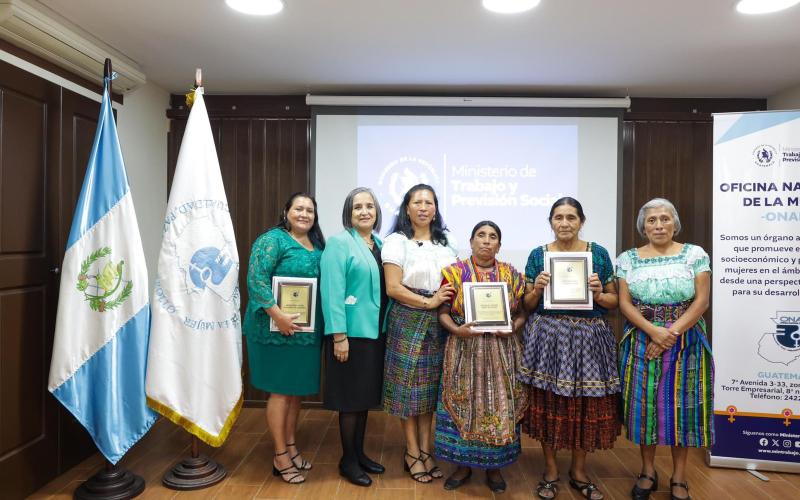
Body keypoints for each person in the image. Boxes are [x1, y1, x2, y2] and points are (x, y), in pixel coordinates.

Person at [519, 197, 620, 500]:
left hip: (590, 338)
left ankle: (579, 471)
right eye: (558, 217)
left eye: (571, 217)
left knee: (586, 406)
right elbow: (526, 304)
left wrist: (600, 294)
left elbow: (615, 303)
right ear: (551, 222)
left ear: (581, 221)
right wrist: (536, 289)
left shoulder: (598, 254)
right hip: (548, 337)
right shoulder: (539, 255)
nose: (564, 223)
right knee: (548, 403)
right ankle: (550, 469)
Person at [617, 198, 713, 500]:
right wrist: (654, 332)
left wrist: (669, 334)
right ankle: (647, 471)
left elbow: (702, 301)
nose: (658, 225)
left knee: (682, 408)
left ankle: (680, 477)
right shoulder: (627, 259)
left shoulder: (694, 254)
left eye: (664, 219)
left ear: (675, 223)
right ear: (643, 227)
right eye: (651, 221)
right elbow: (624, 303)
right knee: (644, 408)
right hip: (642, 339)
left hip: (687, 341)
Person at [433, 221, 529, 494]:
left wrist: (513, 327)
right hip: (464, 347)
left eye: (493, 237)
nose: (486, 241)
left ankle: (494, 466)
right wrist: (457, 330)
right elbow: (441, 312)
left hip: (501, 351)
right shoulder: (454, 273)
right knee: (464, 403)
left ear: (499, 244)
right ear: (471, 241)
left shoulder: (511, 275)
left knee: (499, 407)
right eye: (481, 235)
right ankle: (462, 465)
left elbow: (522, 312)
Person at [243, 192, 325, 485]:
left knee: (295, 392)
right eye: (299, 208)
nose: (304, 214)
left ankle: (291, 446)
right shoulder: (272, 240)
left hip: (304, 331)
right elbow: (256, 280)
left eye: (310, 210)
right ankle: (279, 456)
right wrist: (277, 315)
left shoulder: (317, 245)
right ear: (286, 211)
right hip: (274, 329)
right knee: (280, 392)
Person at [381, 183, 458, 483]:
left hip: (439, 321)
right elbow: (393, 288)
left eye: (429, 202)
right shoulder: (396, 241)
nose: (424, 207)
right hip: (407, 318)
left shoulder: (446, 242)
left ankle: (426, 451)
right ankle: (412, 452)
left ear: (436, 208)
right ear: (407, 208)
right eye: (418, 202)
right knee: (407, 392)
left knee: (428, 393)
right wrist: (429, 301)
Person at [320, 187, 388, 487]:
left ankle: (359, 454)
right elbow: (331, 292)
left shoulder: (382, 244)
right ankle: (347, 461)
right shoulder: (338, 243)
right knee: (349, 401)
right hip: (348, 335)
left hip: (374, 334)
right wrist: (338, 336)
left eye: (369, 206)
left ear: (377, 212)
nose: (364, 211)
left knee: (363, 399)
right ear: (349, 212)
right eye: (357, 206)